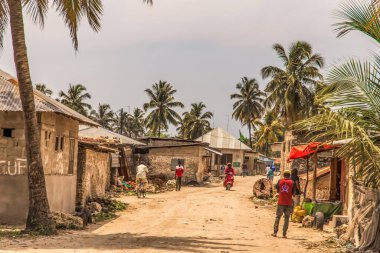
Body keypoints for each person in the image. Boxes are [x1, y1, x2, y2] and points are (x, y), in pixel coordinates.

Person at [272, 170, 295, 238]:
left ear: (283, 175)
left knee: (278, 217)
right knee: (287, 218)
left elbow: (278, 190)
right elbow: (294, 194)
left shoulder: (280, 181)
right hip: (288, 203)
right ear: (289, 175)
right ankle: (284, 234)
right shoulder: (292, 182)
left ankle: (275, 232)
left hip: (281, 202)